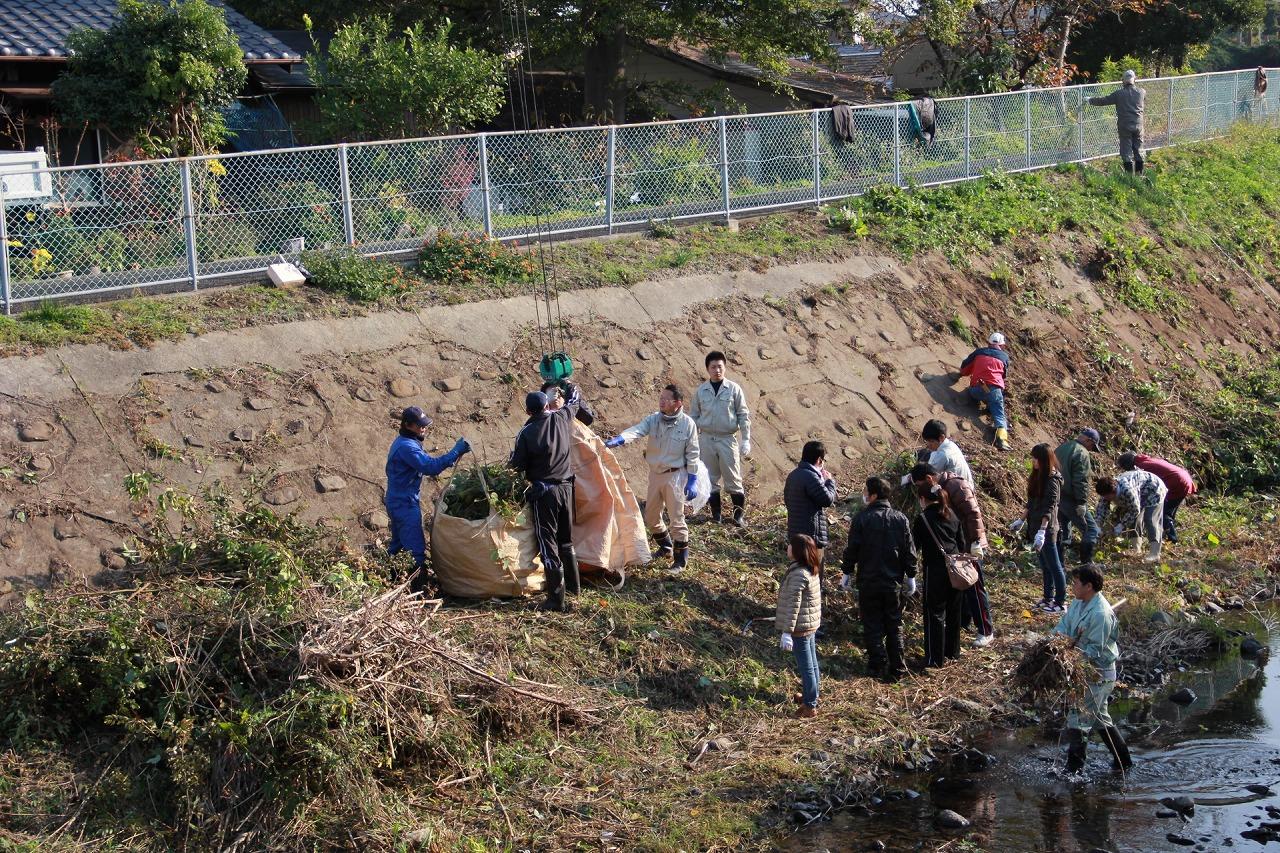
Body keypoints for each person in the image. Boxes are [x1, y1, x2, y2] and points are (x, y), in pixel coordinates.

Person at [606, 384, 700, 572]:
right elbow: (638, 430)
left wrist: (692, 480)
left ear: (677, 403)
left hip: (675, 476)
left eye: (666, 399)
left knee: (677, 519)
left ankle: (680, 560)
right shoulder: (654, 420)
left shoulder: (688, 424)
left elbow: (693, 453)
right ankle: (665, 547)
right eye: (660, 398)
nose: (661, 402)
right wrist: (620, 439)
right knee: (650, 515)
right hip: (656, 474)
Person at [510, 384, 587, 612]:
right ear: (546, 405)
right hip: (566, 488)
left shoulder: (526, 432)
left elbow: (517, 466)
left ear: (528, 412)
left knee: (548, 544)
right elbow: (574, 401)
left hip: (545, 493)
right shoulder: (561, 418)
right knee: (566, 540)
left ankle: (556, 599)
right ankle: (574, 588)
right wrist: (568, 385)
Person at [1053, 565, 1132, 773]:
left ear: (1089, 586)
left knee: (1079, 718)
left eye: (1076, 583)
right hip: (1082, 671)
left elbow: (1095, 651)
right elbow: (1062, 626)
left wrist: (1070, 650)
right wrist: (1058, 641)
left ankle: (1074, 771)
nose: (1073, 586)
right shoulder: (1078, 604)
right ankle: (1124, 762)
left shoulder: (1101, 614)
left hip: (1098, 674)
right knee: (1099, 719)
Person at [384, 406, 471, 590]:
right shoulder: (407, 447)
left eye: (424, 425)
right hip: (404, 503)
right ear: (407, 425)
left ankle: (390, 583)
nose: (423, 429)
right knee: (415, 550)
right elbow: (430, 467)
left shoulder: (408, 441)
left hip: (399, 500)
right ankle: (419, 592)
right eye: (419, 426)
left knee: (398, 546)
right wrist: (456, 451)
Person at [841, 477, 917, 682]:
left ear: (873, 495)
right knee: (894, 623)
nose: (863, 494)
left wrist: (846, 572)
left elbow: (852, 550)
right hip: (893, 581)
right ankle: (898, 668)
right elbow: (908, 551)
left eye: (866, 491)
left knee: (871, 622)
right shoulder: (900, 519)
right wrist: (911, 576)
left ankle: (877, 664)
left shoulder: (861, 519)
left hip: (868, 580)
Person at [910, 462, 993, 647]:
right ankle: (963, 623)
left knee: (974, 585)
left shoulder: (956, 485)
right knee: (958, 588)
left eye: (919, 484)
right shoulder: (942, 489)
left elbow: (973, 514)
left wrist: (976, 542)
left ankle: (986, 630)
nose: (920, 489)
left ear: (929, 479)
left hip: (969, 545)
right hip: (956, 545)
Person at [688, 351, 751, 527]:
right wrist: (691, 440)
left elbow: (743, 415)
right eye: (713, 367)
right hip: (706, 439)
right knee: (710, 479)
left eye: (720, 367)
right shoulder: (701, 391)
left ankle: (738, 516)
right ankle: (717, 515)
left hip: (727, 439)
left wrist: (745, 439)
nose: (717, 370)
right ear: (707, 369)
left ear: (725, 367)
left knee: (733, 479)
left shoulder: (733, 389)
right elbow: (693, 417)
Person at [913, 483, 963, 668]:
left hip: (934, 570)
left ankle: (935, 658)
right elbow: (961, 542)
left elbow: (914, 547)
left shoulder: (923, 519)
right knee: (953, 611)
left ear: (923, 499)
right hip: (956, 570)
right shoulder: (952, 515)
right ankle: (953, 652)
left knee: (934, 613)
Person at [777, 533, 823, 719]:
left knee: (806, 666)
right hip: (809, 624)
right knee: (811, 664)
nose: (787, 547)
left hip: (800, 627)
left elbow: (793, 606)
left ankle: (810, 705)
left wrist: (787, 632)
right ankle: (812, 694)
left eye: (790, 545)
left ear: (797, 551)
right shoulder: (809, 569)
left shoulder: (798, 574)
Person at [1022, 443, 1065, 614]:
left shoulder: (1053, 480)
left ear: (1044, 460)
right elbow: (1031, 501)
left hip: (1047, 529)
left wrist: (1042, 529)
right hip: (1034, 526)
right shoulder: (1037, 476)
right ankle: (1048, 597)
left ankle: (1060, 601)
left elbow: (1050, 505)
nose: (1033, 461)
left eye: (1035, 458)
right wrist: (1021, 519)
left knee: (1054, 565)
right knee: (1044, 565)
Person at [1117, 451, 1195, 545]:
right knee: (1167, 513)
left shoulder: (1142, 468)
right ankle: (1167, 537)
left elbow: (1143, 490)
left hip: (1176, 482)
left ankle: (1173, 540)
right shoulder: (1148, 460)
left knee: (1163, 513)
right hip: (1184, 478)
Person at [1096, 468, 1168, 563]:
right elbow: (1102, 509)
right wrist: (1097, 526)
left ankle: (1154, 554)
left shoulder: (1127, 490)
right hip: (1140, 490)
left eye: (1106, 496)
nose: (1104, 498)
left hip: (1154, 489)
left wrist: (1121, 526)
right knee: (1134, 520)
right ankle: (1136, 549)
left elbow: (1134, 510)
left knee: (1150, 519)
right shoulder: (1106, 491)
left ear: (1113, 492)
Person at [784, 441, 839, 565]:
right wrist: (829, 481)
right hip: (811, 535)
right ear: (819, 460)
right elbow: (827, 500)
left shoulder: (793, 475)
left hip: (794, 534)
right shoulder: (811, 477)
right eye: (823, 460)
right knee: (813, 573)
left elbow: (787, 501)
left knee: (798, 570)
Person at [1055, 428, 1102, 567]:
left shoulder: (1062, 447)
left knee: (1063, 530)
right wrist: (1081, 502)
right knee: (1091, 529)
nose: (1092, 449)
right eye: (1092, 446)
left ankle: (1059, 562)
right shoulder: (1081, 452)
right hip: (1071, 498)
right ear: (1088, 440)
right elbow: (1081, 480)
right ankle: (1086, 563)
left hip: (1057, 495)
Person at [1088, 69, 1146, 175]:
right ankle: (1139, 174)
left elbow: (1103, 101)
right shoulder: (1142, 92)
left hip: (1124, 125)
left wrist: (1090, 100)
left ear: (1123, 81)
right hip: (1138, 125)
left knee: (1126, 150)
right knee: (1138, 149)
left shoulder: (1119, 94)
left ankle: (1129, 176)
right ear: (1134, 80)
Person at [960, 332, 1012, 451]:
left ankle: (984, 403)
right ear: (1002, 346)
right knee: (999, 414)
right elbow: (1003, 376)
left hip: (976, 390)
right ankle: (1002, 440)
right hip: (994, 390)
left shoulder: (979, 353)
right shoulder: (1004, 358)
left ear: (988, 343)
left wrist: (962, 374)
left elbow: (964, 369)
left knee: (975, 392)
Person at [920, 419, 974, 488]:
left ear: (942, 437)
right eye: (927, 441)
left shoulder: (943, 454)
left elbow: (927, 475)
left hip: (958, 493)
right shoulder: (951, 444)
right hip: (967, 488)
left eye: (931, 441)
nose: (928, 445)